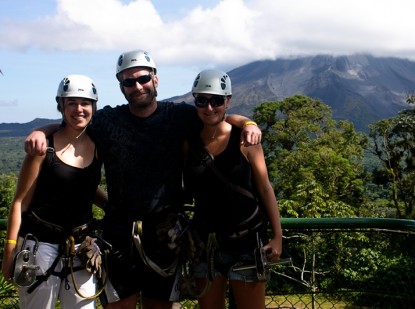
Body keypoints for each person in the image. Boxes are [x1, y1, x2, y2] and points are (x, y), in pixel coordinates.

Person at [23, 50, 262, 309]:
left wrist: (248, 123)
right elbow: (70, 125)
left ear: (155, 80)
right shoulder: (108, 121)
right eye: (129, 81)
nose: (137, 86)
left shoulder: (178, 116)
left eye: (143, 79)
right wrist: (39, 130)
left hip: (164, 235)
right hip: (118, 236)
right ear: (121, 87)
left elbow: (218, 114)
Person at [2, 74, 107, 308]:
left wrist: (110, 206)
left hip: (82, 247)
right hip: (40, 245)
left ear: (93, 106)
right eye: (71, 103)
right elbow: (20, 202)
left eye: (85, 103)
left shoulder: (98, 144)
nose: (79, 109)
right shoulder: (44, 148)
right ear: (60, 106)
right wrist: (10, 249)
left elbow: (84, 186)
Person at [183, 69, 282, 309]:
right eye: (202, 101)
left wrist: (278, 236)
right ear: (194, 100)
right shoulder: (188, 142)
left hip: (247, 241)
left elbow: (265, 188)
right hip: (205, 243)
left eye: (217, 100)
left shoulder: (245, 139)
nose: (209, 108)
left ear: (227, 101)